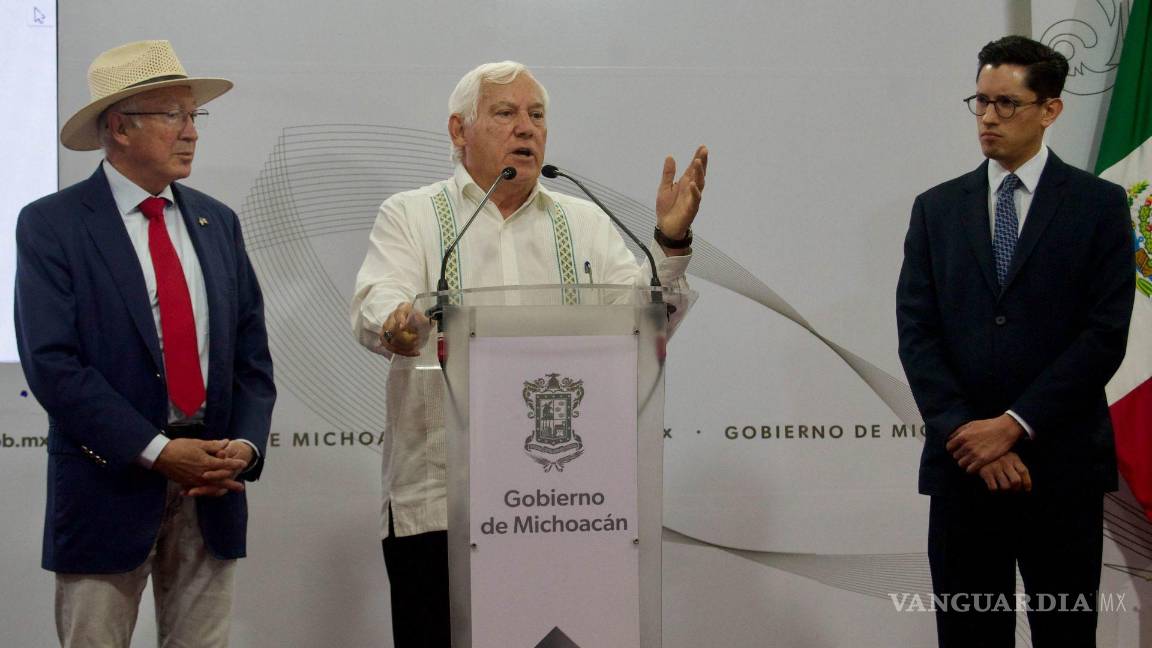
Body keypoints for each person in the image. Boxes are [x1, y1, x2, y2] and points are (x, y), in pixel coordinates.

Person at [350, 60, 707, 646]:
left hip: (565, 504)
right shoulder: (412, 215)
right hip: (442, 505)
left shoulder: (583, 221)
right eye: (506, 114)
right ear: (458, 131)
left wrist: (668, 243)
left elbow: (647, 320)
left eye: (536, 115)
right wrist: (396, 324)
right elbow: (379, 301)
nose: (527, 128)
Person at [14, 40, 276, 647]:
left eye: (194, 116)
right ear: (119, 128)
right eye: (173, 115)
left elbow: (250, 356)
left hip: (212, 486)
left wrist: (243, 446)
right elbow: (53, 365)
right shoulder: (53, 224)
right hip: (107, 482)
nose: (191, 132)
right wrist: (157, 451)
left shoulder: (218, 221)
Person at [896, 35, 1133, 647]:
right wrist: (971, 433)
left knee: (1065, 634)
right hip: (964, 467)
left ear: (1050, 109)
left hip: (1059, 468)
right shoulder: (936, 209)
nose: (989, 118)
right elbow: (917, 335)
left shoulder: (1100, 206)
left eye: (1007, 103)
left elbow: (1105, 336)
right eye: (980, 102)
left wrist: (1016, 424)